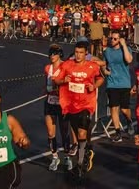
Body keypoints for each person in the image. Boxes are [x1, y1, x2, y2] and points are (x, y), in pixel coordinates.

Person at [53, 39, 103, 178]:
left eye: (81, 53)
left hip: (86, 104)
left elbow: (100, 78)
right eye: (76, 52)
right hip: (70, 105)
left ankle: (80, 164)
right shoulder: (67, 65)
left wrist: (94, 86)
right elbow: (55, 80)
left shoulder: (92, 66)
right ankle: (87, 150)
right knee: (79, 133)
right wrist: (64, 81)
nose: (78, 55)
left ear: (86, 53)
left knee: (81, 133)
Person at [103, 30, 134, 141]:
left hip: (124, 83)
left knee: (124, 109)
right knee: (114, 107)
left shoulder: (126, 49)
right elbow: (103, 64)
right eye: (111, 38)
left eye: (115, 39)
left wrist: (124, 45)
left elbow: (129, 60)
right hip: (112, 83)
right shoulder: (107, 51)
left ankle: (129, 121)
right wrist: (105, 71)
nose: (112, 40)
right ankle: (117, 132)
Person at [43, 44, 69, 172]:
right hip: (50, 102)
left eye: (54, 54)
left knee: (64, 132)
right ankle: (54, 157)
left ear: (60, 55)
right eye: (50, 54)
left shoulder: (65, 66)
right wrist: (48, 90)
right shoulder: (47, 68)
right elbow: (46, 84)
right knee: (50, 132)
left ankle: (67, 156)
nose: (52, 56)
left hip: (62, 103)